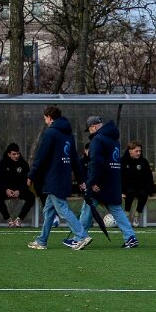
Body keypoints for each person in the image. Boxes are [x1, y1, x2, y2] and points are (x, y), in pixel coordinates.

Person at [27, 105, 91, 250]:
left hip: (53, 178)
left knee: (62, 209)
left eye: (45, 118)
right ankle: (42, 240)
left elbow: (41, 156)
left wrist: (31, 175)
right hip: (64, 177)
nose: (45, 121)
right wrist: (81, 180)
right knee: (49, 210)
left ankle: (82, 235)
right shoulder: (69, 135)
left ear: (49, 117)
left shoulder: (51, 133)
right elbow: (74, 159)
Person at [80, 115, 138, 248]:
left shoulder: (97, 140)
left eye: (89, 129)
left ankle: (79, 236)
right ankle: (130, 237)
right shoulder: (114, 140)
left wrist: (93, 182)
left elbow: (97, 163)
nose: (89, 132)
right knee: (115, 208)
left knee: (88, 206)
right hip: (113, 181)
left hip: (100, 183)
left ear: (93, 127)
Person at [0, 143, 35, 226]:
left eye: (18, 153)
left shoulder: (23, 164)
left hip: (19, 190)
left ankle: (19, 219)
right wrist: (6, 190)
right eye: (14, 154)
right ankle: (9, 220)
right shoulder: (2, 164)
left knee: (31, 197)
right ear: (9, 154)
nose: (16, 156)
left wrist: (19, 191)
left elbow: (26, 181)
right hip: (6, 190)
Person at [122, 141, 154, 226]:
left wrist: (149, 189)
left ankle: (137, 215)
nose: (139, 153)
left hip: (140, 188)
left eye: (140, 151)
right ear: (130, 151)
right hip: (127, 188)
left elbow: (149, 177)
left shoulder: (143, 162)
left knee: (144, 193)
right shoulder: (123, 161)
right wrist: (120, 191)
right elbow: (119, 177)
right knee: (130, 192)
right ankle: (127, 214)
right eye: (136, 151)